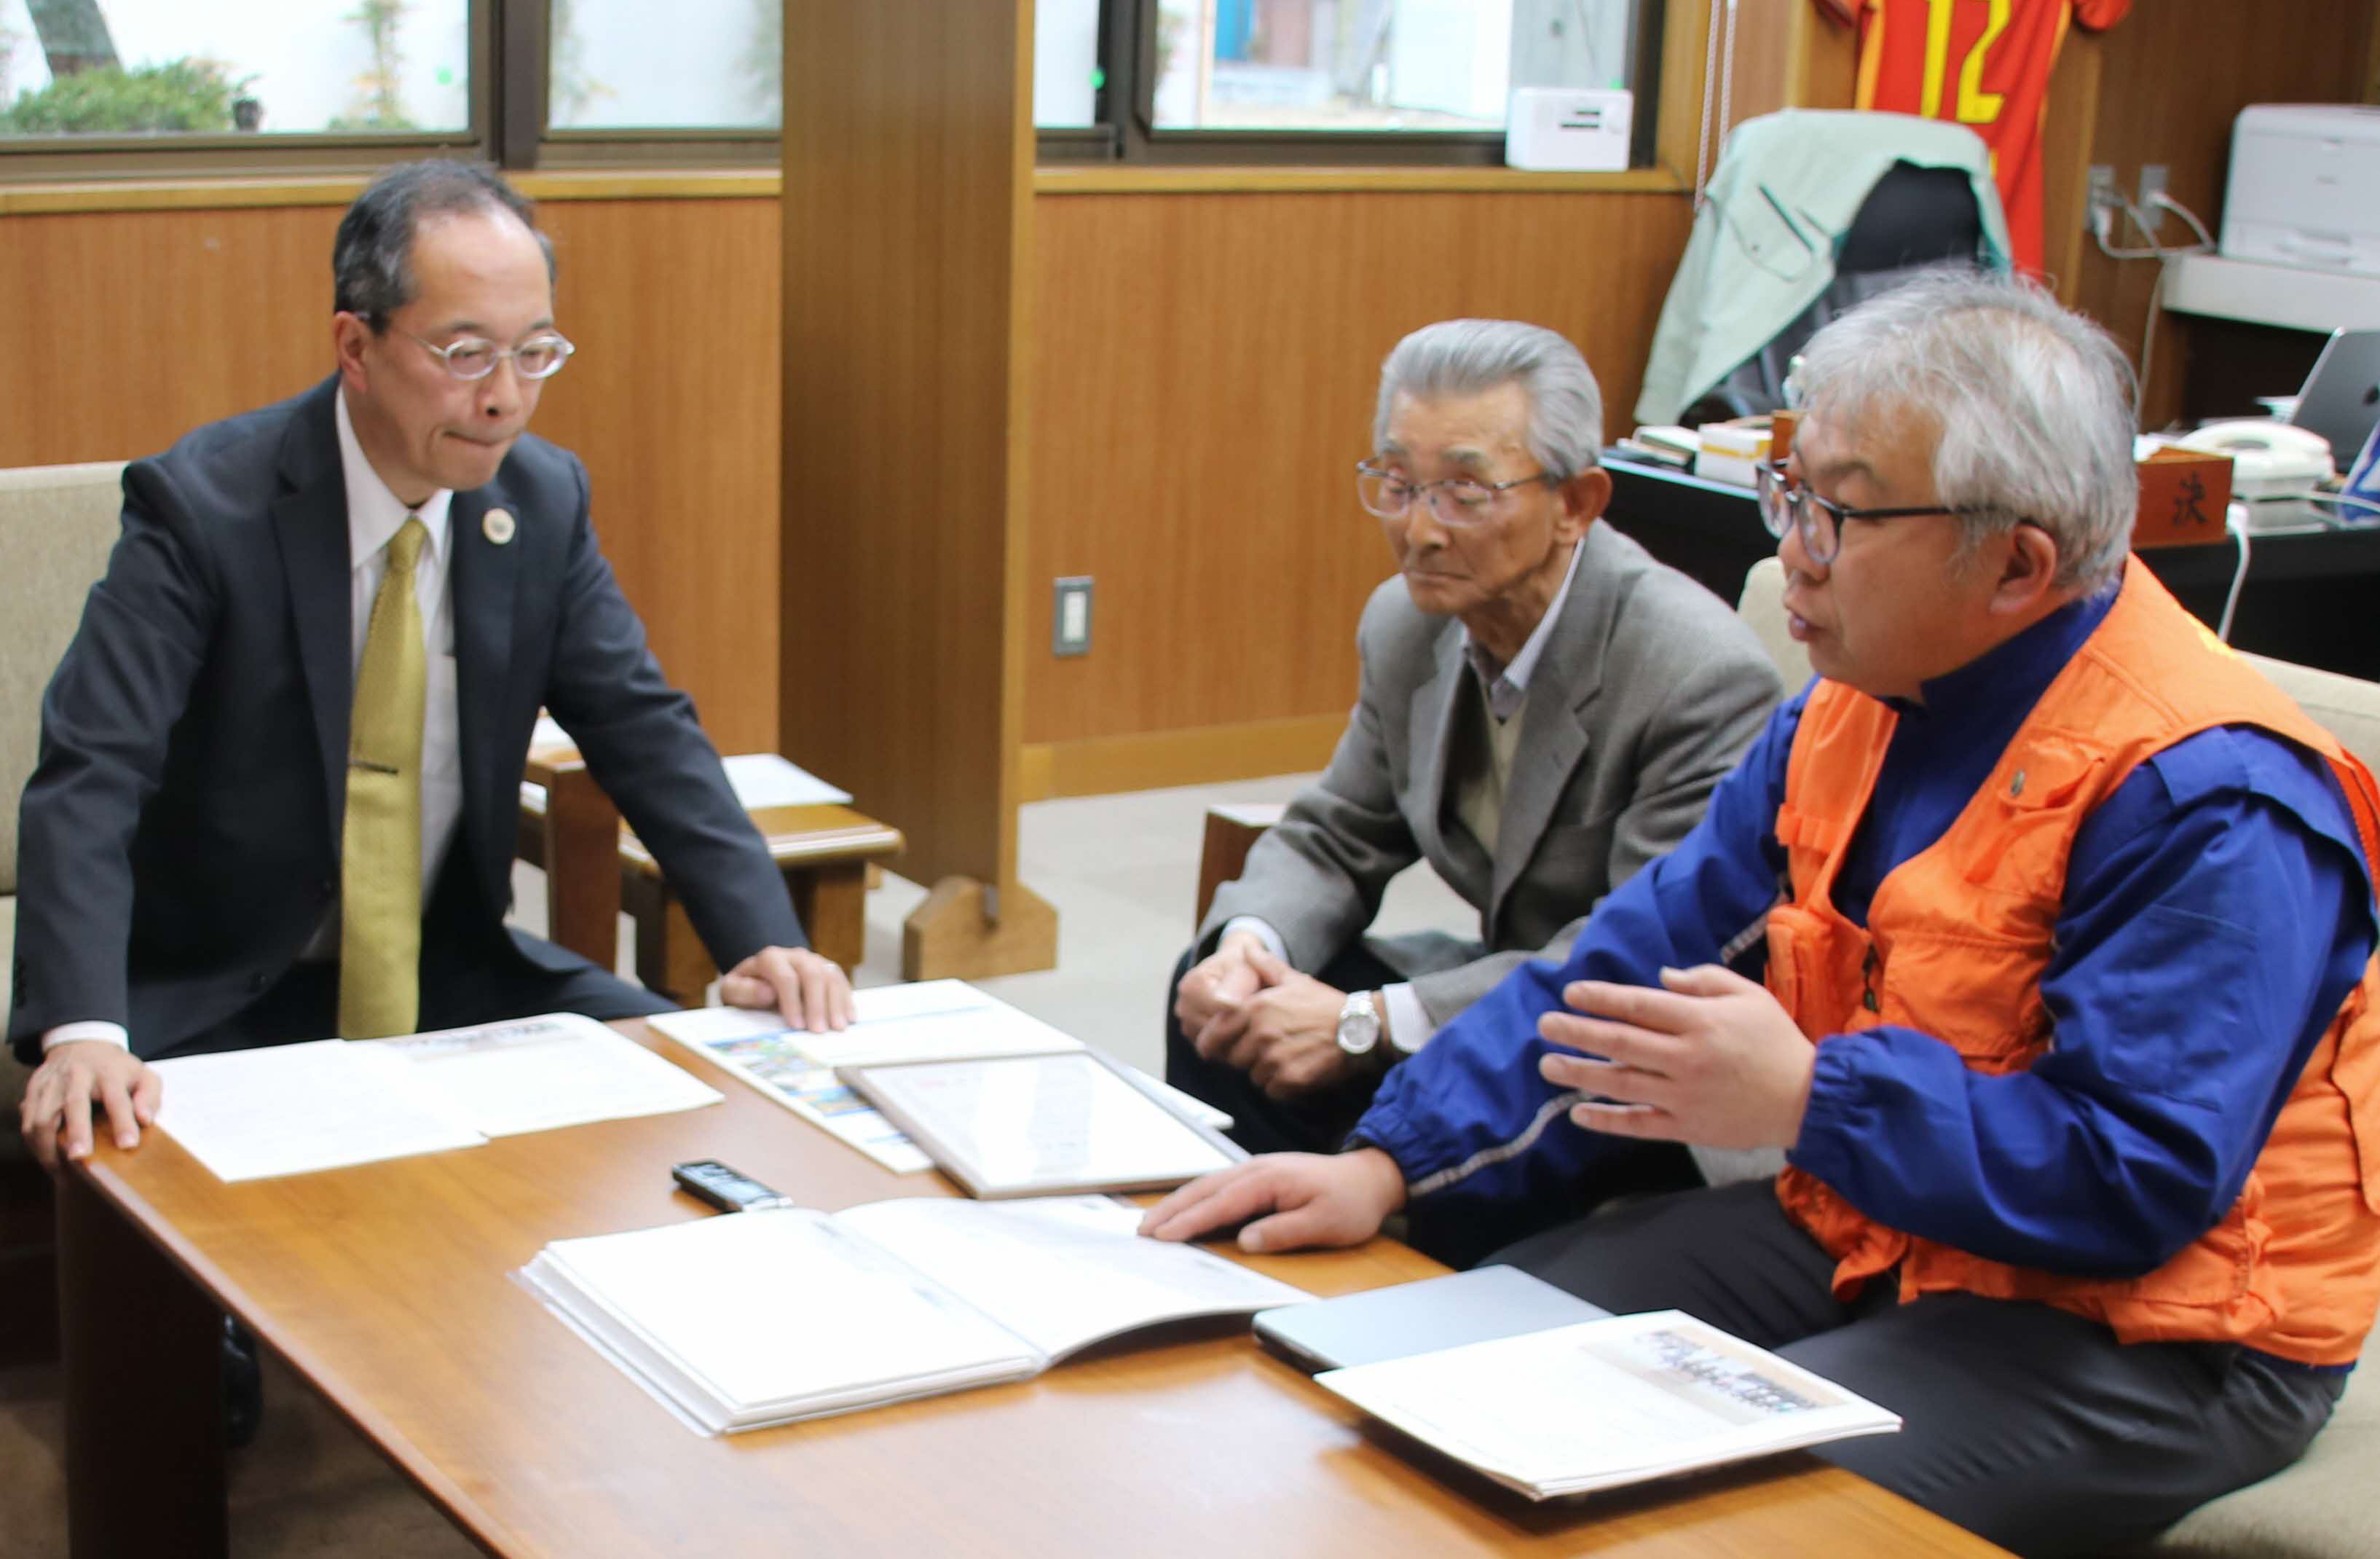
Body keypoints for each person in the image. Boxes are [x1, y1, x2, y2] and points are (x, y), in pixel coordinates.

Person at [1145, 272, 2380, 1557]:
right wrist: (1386, 1163)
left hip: (2154, 1327)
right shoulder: (1855, 700)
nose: (1793, 548)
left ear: (2018, 563)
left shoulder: (2211, 797)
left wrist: (1810, 1099)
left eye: (1839, 512)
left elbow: (2138, 1176)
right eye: (1791, 493)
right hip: (1879, 1215)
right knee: (1445, 1368)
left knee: (1721, 1516)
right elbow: (1632, 958)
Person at [13, 160, 853, 1171]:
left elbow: (642, 727)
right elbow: (93, 768)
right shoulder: (205, 509)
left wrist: (762, 939)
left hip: (450, 976)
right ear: (355, 347)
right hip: (219, 989)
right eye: (465, 354)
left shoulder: (540, 502)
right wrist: (84, 1028)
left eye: (534, 353)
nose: (505, 399)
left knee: (709, 1098)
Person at [1167, 320, 1781, 1174]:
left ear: (1576, 504)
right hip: (1495, 983)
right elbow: (1335, 833)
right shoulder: (1406, 621)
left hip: (1616, 1049)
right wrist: (1251, 945)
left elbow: (1638, 958)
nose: (1419, 529)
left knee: (1411, 1117)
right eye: (1397, 483)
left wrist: (1366, 1021)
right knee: (1224, 1015)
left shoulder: (1694, 673)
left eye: (1464, 491)